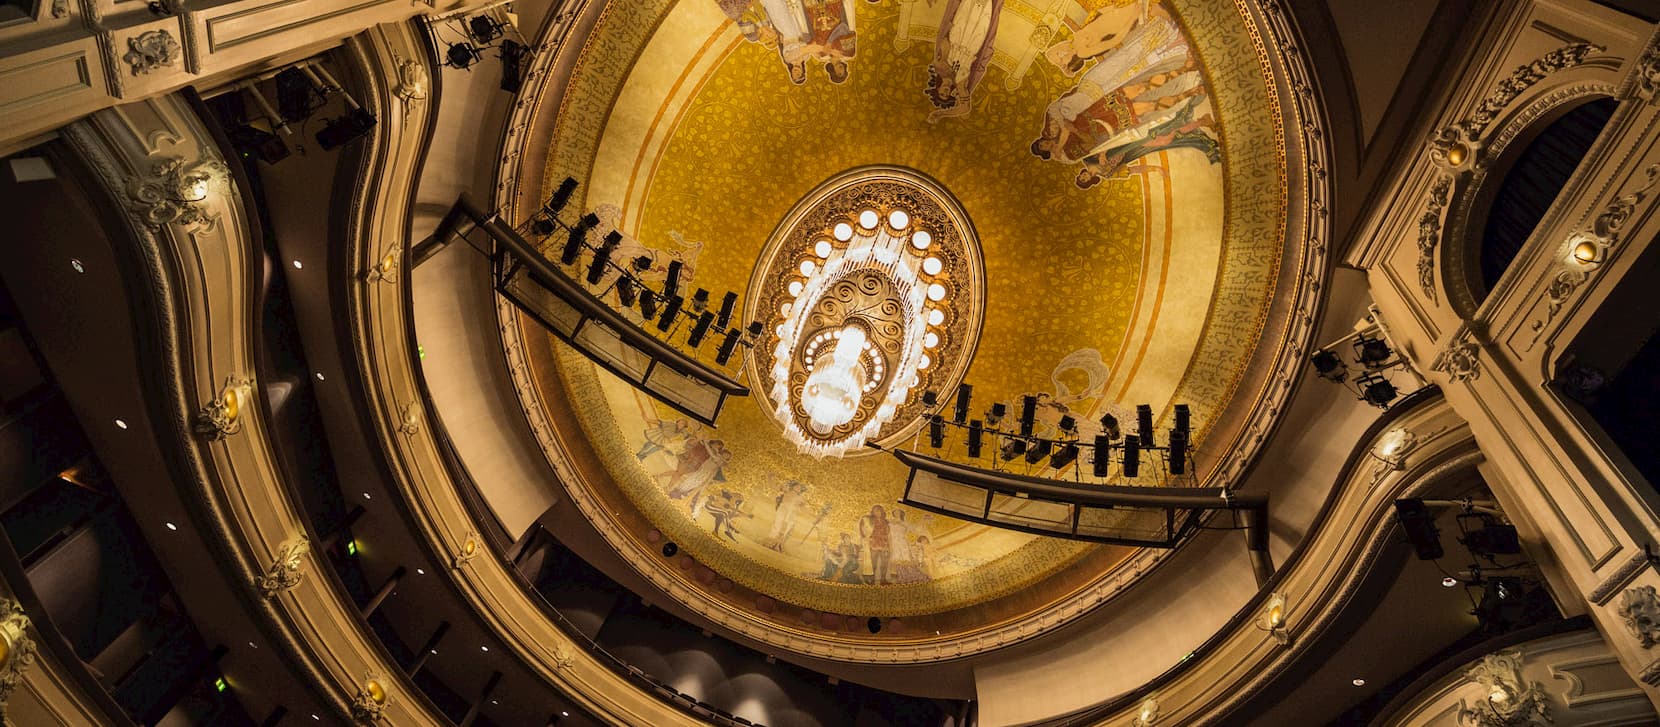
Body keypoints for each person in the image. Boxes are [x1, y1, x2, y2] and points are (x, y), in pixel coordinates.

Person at [924, 0, 1002, 121]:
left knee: (967, 7)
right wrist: (941, 114)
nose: (945, 92)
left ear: (937, 89)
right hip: (974, 43)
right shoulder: (960, 82)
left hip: (957, 34)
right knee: (985, 13)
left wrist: (943, 58)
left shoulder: (939, 68)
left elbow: (944, 42)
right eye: (947, 95)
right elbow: (965, 108)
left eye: (941, 93)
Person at [764, 480, 808, 551]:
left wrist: (802, 507)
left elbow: (803, 509)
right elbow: (775, 488)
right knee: (777, 525)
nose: (798, 488)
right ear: (793, 486)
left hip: (791, 513)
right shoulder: (787, 490)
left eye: (800, 488)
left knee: (787, 529)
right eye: (797, 486)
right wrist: (770, 479)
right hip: (783, 509)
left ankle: (778, 545)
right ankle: (769, 542)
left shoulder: (801, 498)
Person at [859, 504, 892, 585]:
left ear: (882, 512)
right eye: (875, 511)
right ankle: (872, 580)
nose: (878, 512)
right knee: (873, 564)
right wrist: (865, 536)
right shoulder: (869, 520)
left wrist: (889, 544)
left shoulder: (886, 521)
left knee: (884, 564)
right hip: (874, 544)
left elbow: (888, 533)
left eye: (879, 510)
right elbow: (862, 527)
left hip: (884, 545)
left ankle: (883, 579)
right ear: (873, 512)